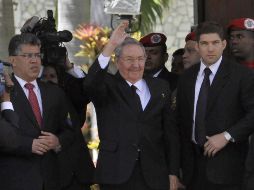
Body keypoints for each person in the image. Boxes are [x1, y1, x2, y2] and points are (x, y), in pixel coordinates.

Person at [83, 21, 182, 190]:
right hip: (116, 174)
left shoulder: (160, 87)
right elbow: (90, 82)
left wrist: (173, 172)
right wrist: (111, 44)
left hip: (154, 174)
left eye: (140, 59)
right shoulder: (108, 86)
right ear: (117, 60)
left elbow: (170, 134)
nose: (136, 65)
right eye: (129, 59)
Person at [176, 21, 254, 190]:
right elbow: (180, 123)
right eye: (204, 43)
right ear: (197, 46)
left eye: (215, 43)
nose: (210, 49)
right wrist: (177, 168)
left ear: (224, 44)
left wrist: (227, 136)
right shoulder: (186, 78)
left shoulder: (242, 76)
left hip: (227, 169)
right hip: (192, 170)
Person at [0, 33, 75, 190]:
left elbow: (69, 129)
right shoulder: (3, 92)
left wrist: (58, 141)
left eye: (37, 55)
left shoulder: (55, 92)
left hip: (52, 180)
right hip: (14, 180)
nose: (34, 60)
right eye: (27, 56)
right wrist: (29, 145)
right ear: (13, 60)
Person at [41, 64, 95, 190]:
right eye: (45, 77)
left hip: (78, 173)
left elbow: (85, 92)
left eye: (52, 76)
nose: (49, 80)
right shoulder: (36, 101)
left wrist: (68, 66)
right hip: (56, 176)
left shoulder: (70, 96)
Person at [227, 17, 254, 190]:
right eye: (231, 38)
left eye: (239, 36)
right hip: (235, 146)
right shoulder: (228, 72)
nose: (234, 41)